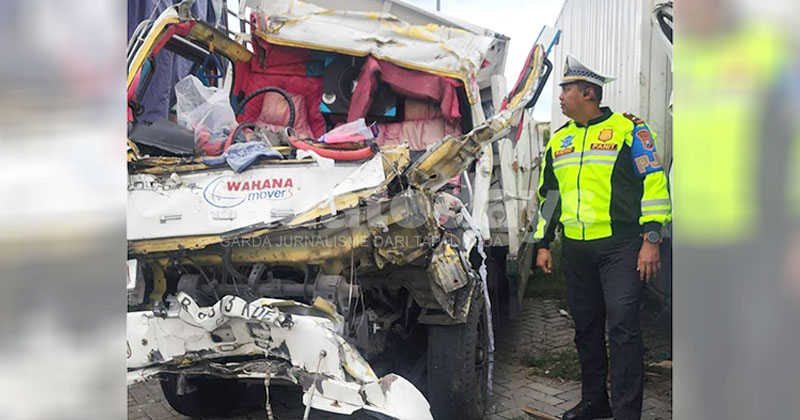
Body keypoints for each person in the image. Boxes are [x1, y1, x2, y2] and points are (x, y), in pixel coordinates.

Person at [533, 54, 671, 420]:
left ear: (589, 92)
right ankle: (595, 402)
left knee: (623, 327)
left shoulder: (630, 130)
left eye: (567, 89)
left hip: (622, 247)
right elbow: (549, 196)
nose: (560, 96)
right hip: (576, 250)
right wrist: (543, 243)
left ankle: (627, 412)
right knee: (586, 327)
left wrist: (652, 237)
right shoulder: (558, 141)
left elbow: (654, 183)